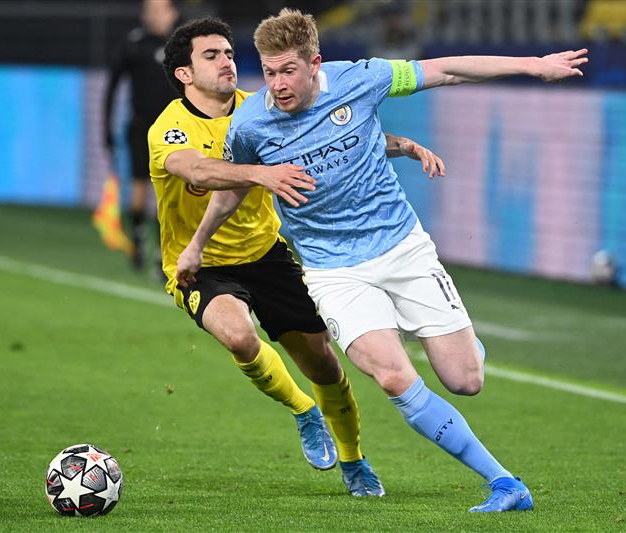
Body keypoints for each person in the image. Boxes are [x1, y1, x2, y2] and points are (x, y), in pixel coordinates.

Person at [177, 8, 589, 512]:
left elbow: (447, 70)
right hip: (334, 271)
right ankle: (505, 483)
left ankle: (460, 342)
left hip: (402, 248)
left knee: (465, 381)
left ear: (315, 64)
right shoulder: (250, 122)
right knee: (394, 378)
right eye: (268, 72)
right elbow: (235, 187)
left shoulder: (362, 78)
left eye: (288, 71)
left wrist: (534, 66)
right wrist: (196, 245)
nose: (277, 85)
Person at [148, 17, 444, 497]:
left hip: (268, 254)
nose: (227, 61)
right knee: (239, 336)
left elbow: (331, 142)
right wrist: (259, 174)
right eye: (211, 55)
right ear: (184, 74)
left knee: (325, 364)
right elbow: (197, 169)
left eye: (228, 52)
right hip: (201, 266)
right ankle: (304, 412)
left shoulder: (260, 108)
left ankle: (354, 461)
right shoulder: (170, 129)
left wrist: (402, 145)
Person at [104, 0, 180, 272]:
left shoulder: (183, 46)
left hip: (175, 133)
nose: (154, 15)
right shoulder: (133, 44)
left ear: (172, 12)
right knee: (139, 191)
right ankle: (137, 239)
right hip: (140, 128)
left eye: (160, 9)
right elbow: (111, 87)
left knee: (170, 194)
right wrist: (107, 130)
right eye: (150, 10)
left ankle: (164, 255)